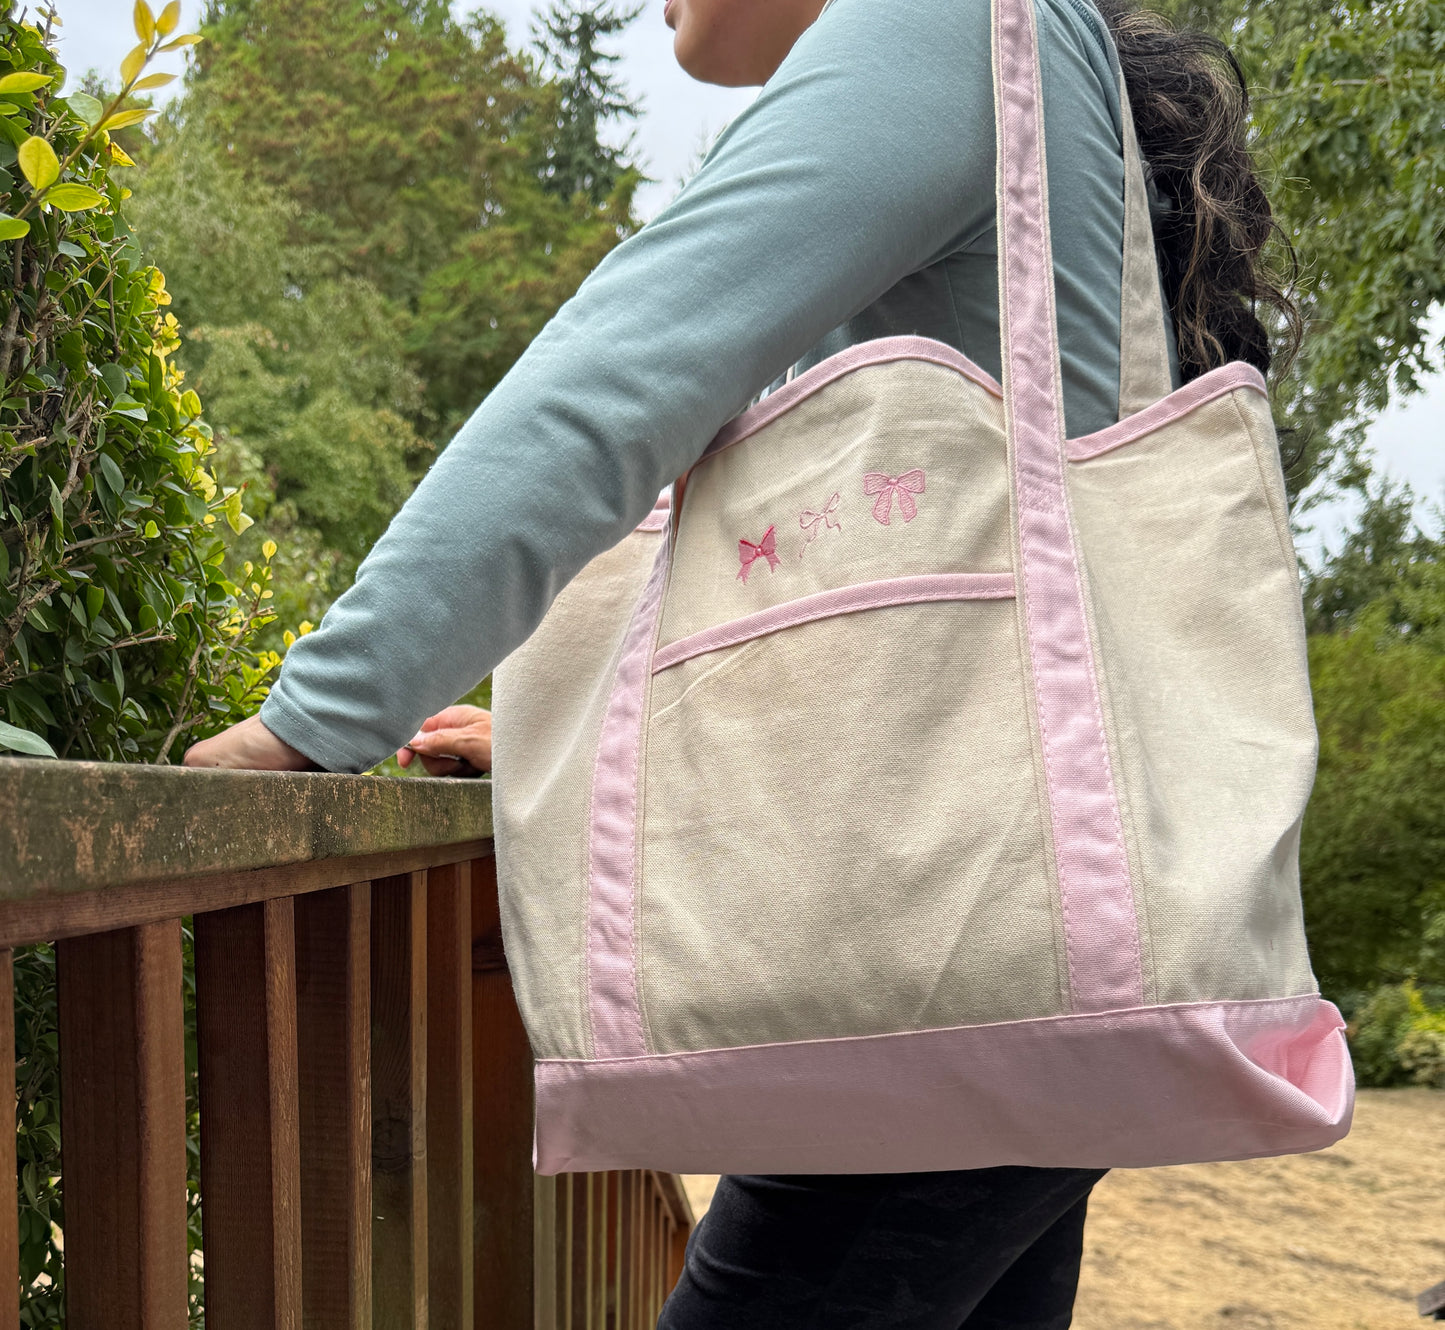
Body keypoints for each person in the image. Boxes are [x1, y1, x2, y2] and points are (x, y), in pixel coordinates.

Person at [185, 0, 1299, 1322]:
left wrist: (312, 715)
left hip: (929, 971)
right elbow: (872, 599)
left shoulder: (937, 23)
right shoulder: (1001, 54)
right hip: (1000, 939)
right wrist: (578, 738)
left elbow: (617, 380)